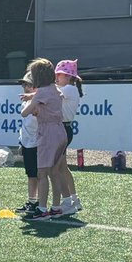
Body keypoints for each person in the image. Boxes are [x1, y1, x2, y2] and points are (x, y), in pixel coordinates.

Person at [18, 58, 68, 218]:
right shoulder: (54, 88)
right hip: (60, 131)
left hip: (47, 133)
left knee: (42, 173)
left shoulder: (41, 93)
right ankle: (56, 207)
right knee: (55, 172)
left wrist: (31, 101)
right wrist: (32, 95)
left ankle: (42, 208)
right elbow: (48, 94)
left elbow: (24, 113)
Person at [54, 59, 83, 214]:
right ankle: (74, 199)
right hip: (64, 128)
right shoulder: (69, 88)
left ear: (69, 77)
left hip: (62, 129)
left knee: (58, 168)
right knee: (63, 168)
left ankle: (67, 202)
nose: (56, 77)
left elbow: (51, 93)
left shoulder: (69, 89)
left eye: (59, 74)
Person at [14, 72, 40, 216]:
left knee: (40, 175)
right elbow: (25, 124)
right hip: (27, 143)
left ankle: (41, 203)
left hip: (37, 143)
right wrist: (21, 141)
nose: (25, 87)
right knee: (31, 174)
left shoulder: (38, 101)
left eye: (29, 85)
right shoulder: (25, 101)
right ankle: (32, 201)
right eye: (24, 84)